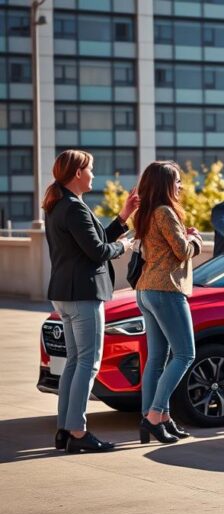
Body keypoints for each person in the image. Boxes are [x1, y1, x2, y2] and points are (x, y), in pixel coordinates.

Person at [44, 149, 138, 453]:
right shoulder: (74, 208)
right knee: (88, 362)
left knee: (74, 362)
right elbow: (98, 252)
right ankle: (78, 431)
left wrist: (124, 216)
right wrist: (123, 246)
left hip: (65, 294)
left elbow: (92, 241)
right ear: (77, 174)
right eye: (90, 169)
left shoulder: (61, 206)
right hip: (83, 294)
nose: (94, 174)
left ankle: (64, 430)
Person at [133, 161, 204, 444]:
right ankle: (154, 415)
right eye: (177, 181)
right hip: (166, 289)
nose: (181, 186)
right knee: (185, 354)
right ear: (165, 184)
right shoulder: (164, 212)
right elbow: (182, 250)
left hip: (146, 290)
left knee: (157, 359)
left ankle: (157, 418)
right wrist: (195, 238)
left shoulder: (147, 212)